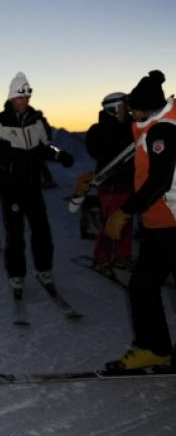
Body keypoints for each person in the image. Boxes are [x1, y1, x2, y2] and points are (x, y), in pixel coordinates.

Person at [104, 70, 176, 370]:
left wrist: (124, 211)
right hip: (159, 223)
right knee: (143, 286)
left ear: (148, 108)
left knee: (143, 286)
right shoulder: (153, 126)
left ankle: (154, 348)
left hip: (170, 223)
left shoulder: (163, 131)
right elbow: (142, 168)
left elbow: (159, 180)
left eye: (134, 109)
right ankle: (155, 348)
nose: (131, 113)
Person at [0, 72, 74, 295]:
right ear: (12, 97)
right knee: (15, 233)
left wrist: (60, 155)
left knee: (41, 229)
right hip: (10, 188)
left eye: (27, 97)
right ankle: (16, 274)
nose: (24, 101)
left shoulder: (35, 121)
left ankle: (44, 269)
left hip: (32, 185)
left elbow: (46, 145)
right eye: (20, 98)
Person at [84, 92, 135, 276]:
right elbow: (95, 149)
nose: (126, 110)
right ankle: (102, 259)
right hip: (111, 182)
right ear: (112, 109)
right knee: (110, 221)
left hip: (129, 180)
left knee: (126, 220)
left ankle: (123, 255)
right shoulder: (98, 130)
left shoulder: (131, 126)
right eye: (123, 107)